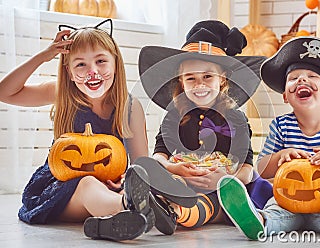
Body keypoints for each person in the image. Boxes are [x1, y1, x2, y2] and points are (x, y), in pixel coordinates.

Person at [0, 19, 185, 241]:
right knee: (88, 184)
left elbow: (139, 163)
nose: (93, 72)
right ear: (68, 72)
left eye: (101, 61)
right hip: (62, 191)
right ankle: (130, 207)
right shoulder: (61, 93)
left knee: (139, 184)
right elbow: (5, 92)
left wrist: (127, 178)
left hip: (110, 187)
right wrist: (44, 55)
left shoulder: (129, 106)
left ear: (115, 65)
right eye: (81, 65)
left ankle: (111, 222)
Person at [218, 36, 320, 243]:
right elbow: (262, 169)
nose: (302, 80)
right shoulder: (281, 126)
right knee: (275, 213)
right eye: (294, 78)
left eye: (312, 76)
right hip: (286, 202)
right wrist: (280, 156)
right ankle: (257, 221)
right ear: (286, 96)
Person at [138, 20, 273, 232]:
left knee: (213, 200)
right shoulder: (174, 117)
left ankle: (178, 212)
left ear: (223, 79)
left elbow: (247, 170)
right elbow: (159, 154)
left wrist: (224, 181)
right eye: (191, 78)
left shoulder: (236, 119)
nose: (199, 84)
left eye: (207, 76)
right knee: (150, 167)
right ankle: (158, 203)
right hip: (182, 177)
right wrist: (174, 168)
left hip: (222, 186)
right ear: (181, 81)